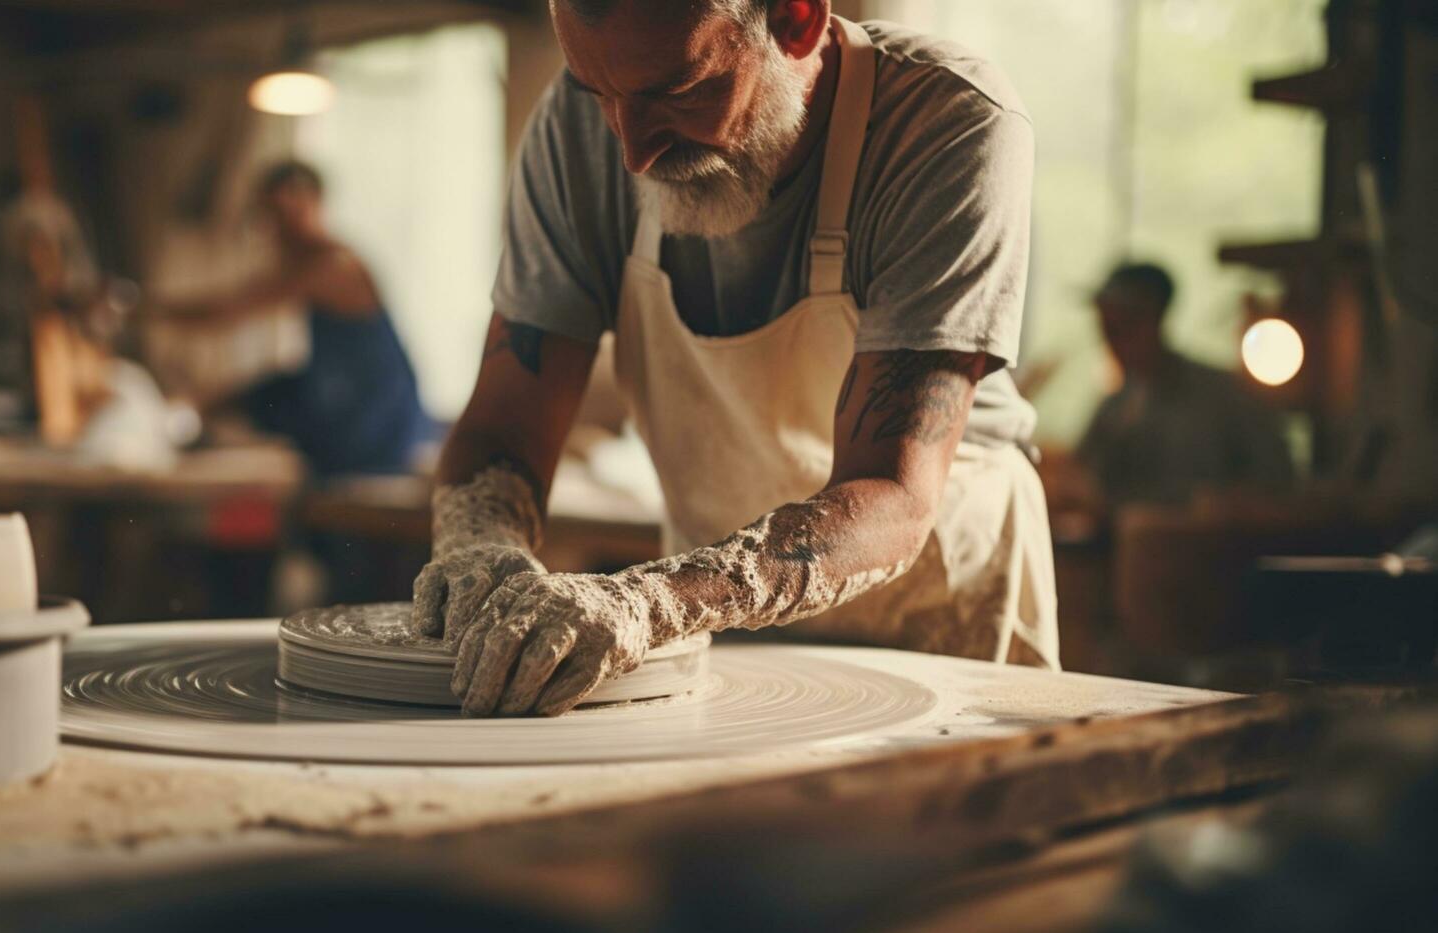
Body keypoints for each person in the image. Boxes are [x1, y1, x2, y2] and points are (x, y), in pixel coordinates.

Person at [413, 0, 1059, 717]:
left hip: (936, 617)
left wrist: (647, 600)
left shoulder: (943, 121)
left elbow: (893, 492)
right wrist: (483, 554)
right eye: (602, 96)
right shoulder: (576, 128)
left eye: (679, 91)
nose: (631, 151)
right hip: (710, 618)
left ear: (797, 20)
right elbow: (505, 429)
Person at [161, 161, 430, 478]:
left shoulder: (332, 266)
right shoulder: (317, 262)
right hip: (352, 405)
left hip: (374, 422)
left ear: (310, 204)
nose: (275, 230)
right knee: (251, 395)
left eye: (281, 215)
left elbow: (223, 312)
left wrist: (135, 310)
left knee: (253, 402)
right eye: (269, 217)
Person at [1077, 262, 1294, 507]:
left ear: (1154, 320)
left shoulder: (1224, 396)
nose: (1113, 343)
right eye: (1108, 330)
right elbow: (1083, 479)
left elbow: (1277, 481)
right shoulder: (1115, 408)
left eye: (1123, 328)